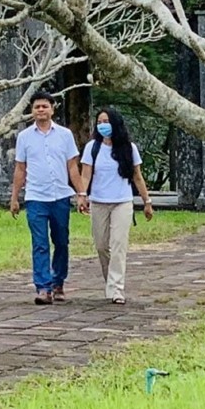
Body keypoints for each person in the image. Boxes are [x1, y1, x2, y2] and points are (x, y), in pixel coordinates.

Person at [78, 105, 155, 304]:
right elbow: (86, 174)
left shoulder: (129, 148)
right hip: (99, 202)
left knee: (118, 245)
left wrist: (147, 201)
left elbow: (137, 177)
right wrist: (82, 195)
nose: (103, 126)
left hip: (122, 202)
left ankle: (116, 288)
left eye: (107, 122)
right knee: (102, 246)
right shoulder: (92, 147)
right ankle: (110, 282)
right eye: (100, 122)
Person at [10, 92, 81, 304]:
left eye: (44, 106)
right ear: (32, 111)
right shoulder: (24, 137)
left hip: (60, 195)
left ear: (52, 109)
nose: (40, 110)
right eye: (37, 107)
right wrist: (15, 197)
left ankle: (58, 281)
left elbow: (72, 166)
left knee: (61, 241)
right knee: (39, 243)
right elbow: (20, 168)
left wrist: (81, 193)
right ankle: (43, 287)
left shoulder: (65, 135)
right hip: (35, 196)